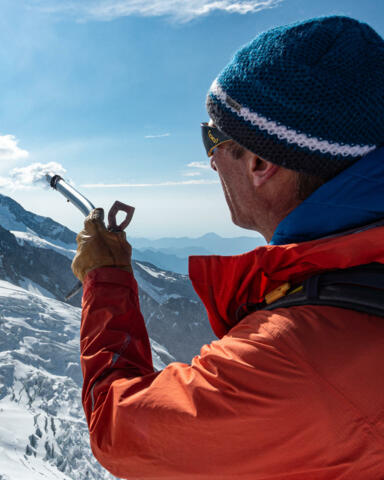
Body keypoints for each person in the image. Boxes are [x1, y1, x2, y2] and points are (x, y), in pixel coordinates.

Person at [72, 16, 384, 479]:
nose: (211, 159)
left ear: (259, 161)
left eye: (212, 137)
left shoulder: (292, 358)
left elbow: (121, 430)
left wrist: (106, 281)